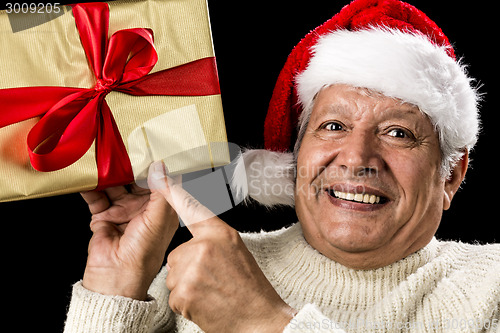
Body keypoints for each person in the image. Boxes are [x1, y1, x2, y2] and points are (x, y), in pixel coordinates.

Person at [64, 0, 500, 332]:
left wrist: (263, 320)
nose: (355, 158)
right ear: (296, 157)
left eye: (398, 133)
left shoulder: (490, 287)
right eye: (333, 126)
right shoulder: (200, 269)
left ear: (452, 175)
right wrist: (115, 288)